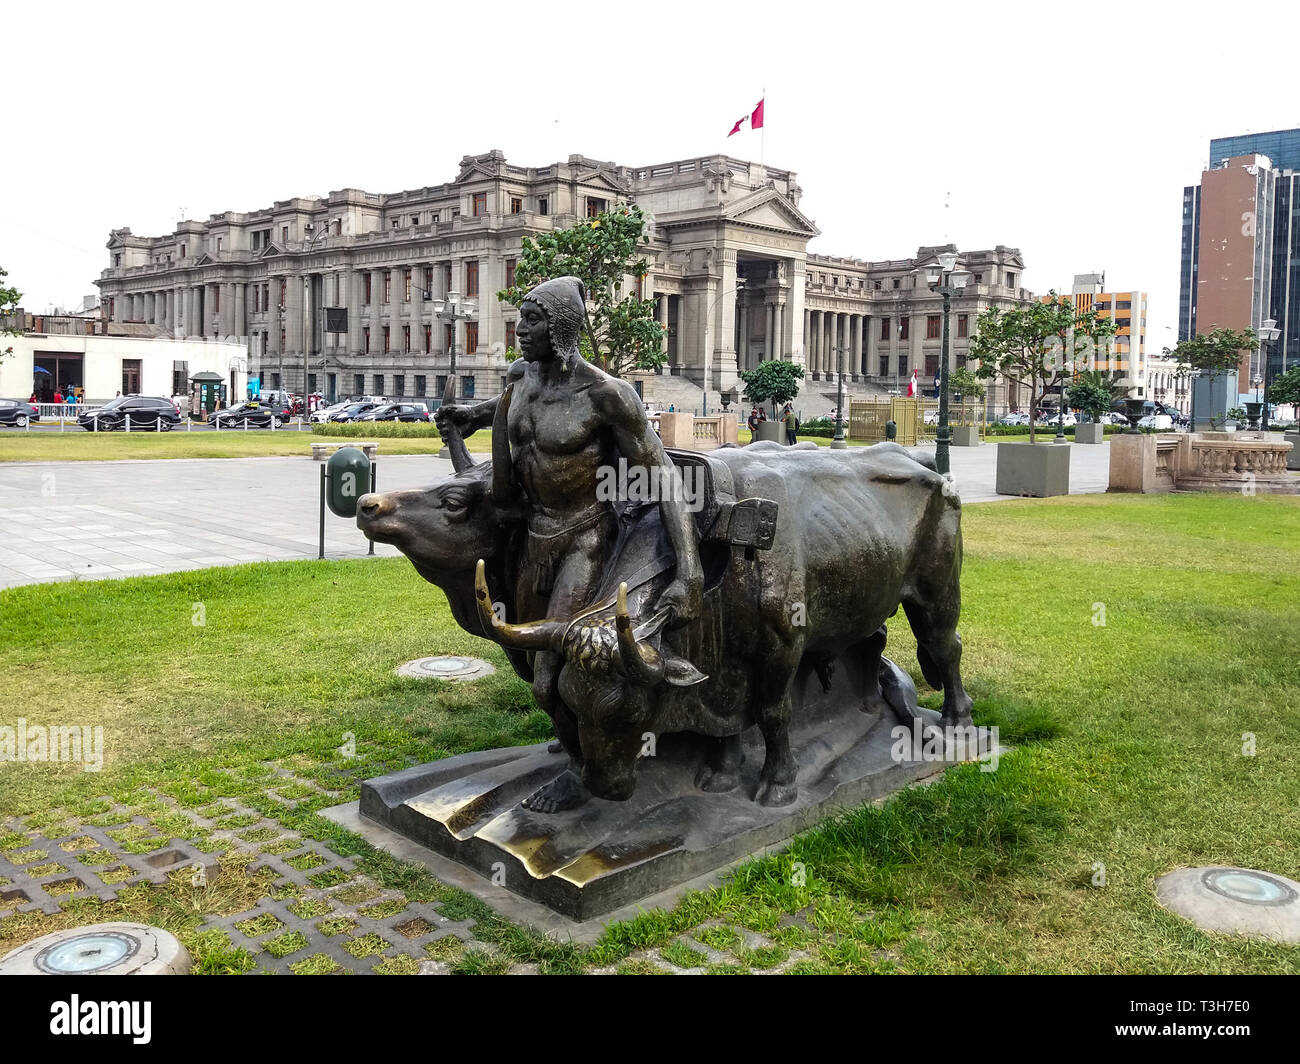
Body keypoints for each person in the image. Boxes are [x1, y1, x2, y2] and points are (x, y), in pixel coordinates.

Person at [435, 276, 703, 812]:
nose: (519, 330)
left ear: (560, 327)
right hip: (533, 538)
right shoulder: (521, 378)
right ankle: (577, 735)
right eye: (520, 318)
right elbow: (516, 410)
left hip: (587, 539)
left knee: (548, 676)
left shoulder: (606, 395)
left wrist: (688, 569)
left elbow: (665, 476)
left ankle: (586, 777)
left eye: (531, 320)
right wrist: (471, 415)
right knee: (526, 654)